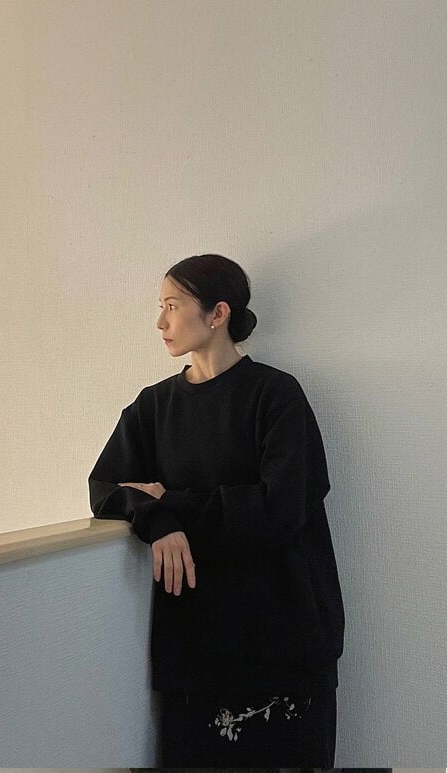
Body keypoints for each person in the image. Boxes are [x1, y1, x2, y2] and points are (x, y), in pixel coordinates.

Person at [88, 254, 345, 767]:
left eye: (172, 305)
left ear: (217, 313)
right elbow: (106, 489)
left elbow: (279, 509)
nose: (160, 321)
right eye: (160, 306)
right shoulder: (152, 407)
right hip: (196, 651)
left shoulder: (276, 395)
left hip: (284, 643)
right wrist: (158, 521)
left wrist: (171, 503)